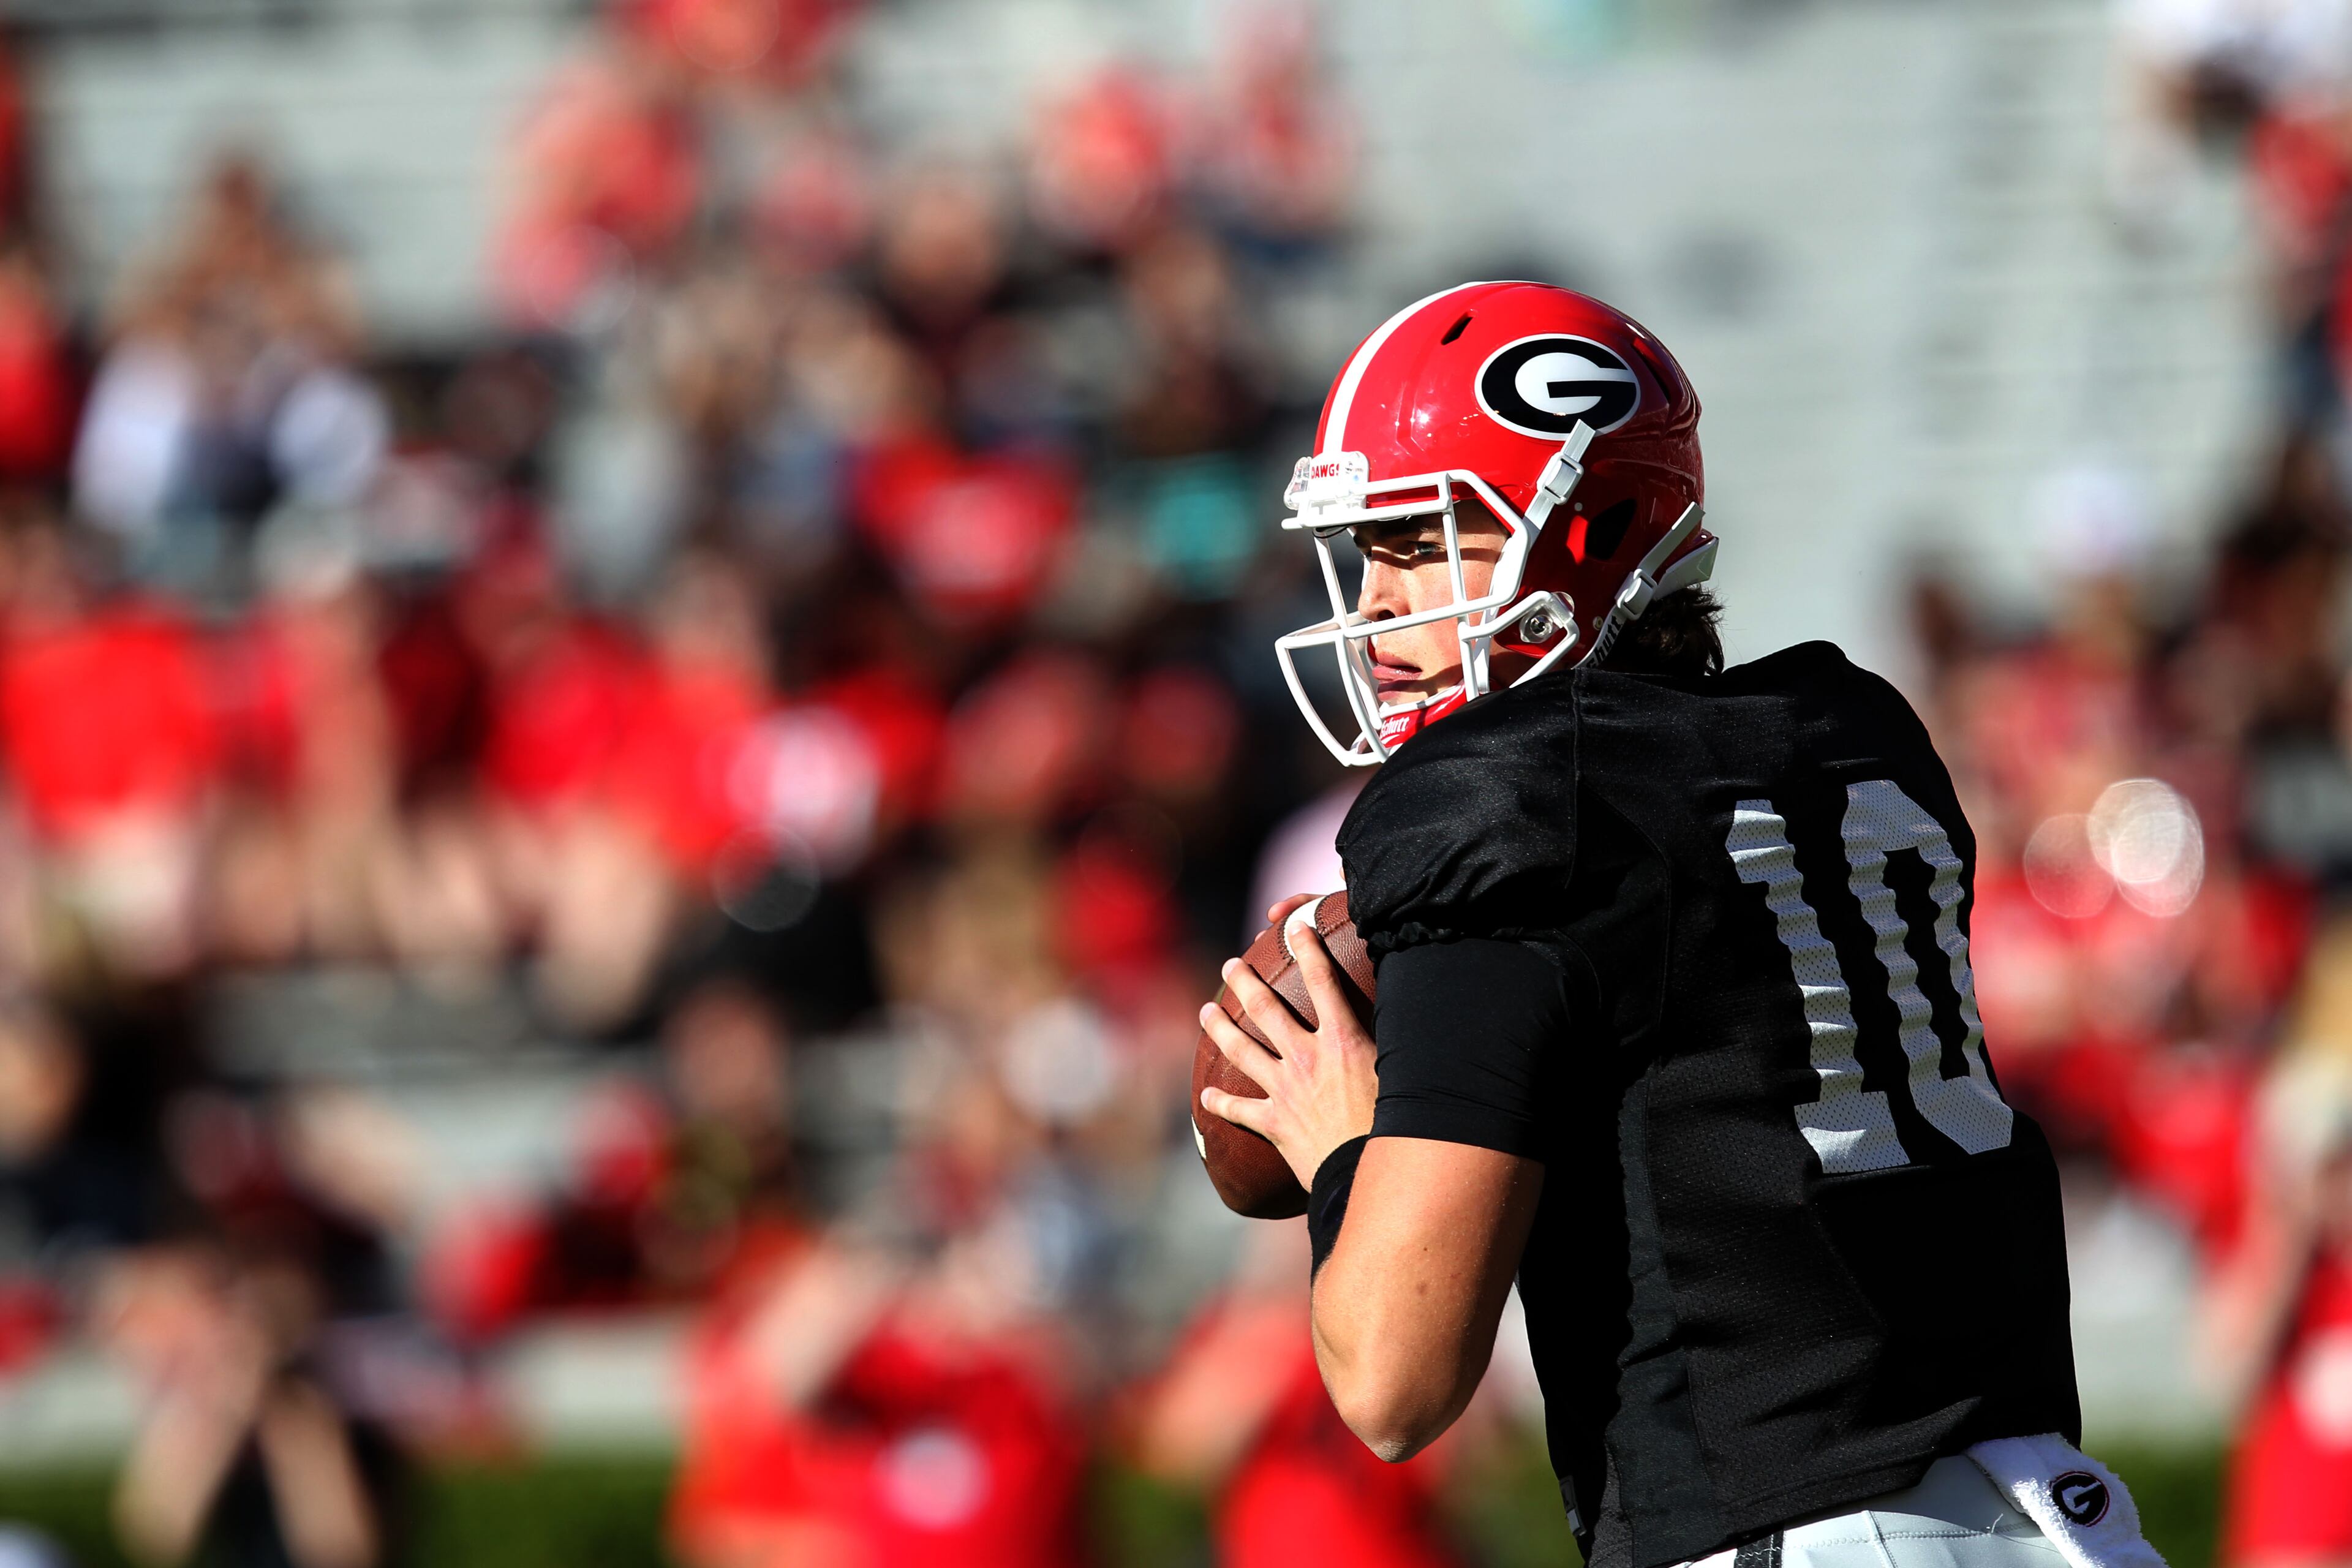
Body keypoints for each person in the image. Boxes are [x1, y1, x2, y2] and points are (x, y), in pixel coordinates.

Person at [1196, 282, 2158, 1568]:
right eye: (1368, 552)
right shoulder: (1853, 738)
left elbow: (1392, 1378)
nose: (1376, 607)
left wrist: (1341, 1145)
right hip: (2060, 1520)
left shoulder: (1514, 801)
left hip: (1794, 1525)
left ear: (1588, 529)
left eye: (1424, 542)